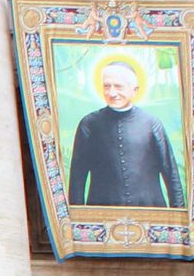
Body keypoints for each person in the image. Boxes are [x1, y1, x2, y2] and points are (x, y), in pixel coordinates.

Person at [66, 58, 182, 208]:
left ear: (135, 90)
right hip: (103, 213)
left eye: (118, 86)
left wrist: (178, 216)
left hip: (149, 211)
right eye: (107, 86)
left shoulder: (151, 124)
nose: (112, 93)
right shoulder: (89, 124)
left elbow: (171, 174)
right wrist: (77, 217)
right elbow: (77, 178)